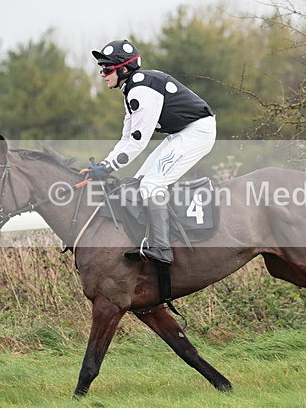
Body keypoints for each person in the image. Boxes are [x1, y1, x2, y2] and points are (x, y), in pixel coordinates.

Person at [90, 39, 216, 264]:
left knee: (151, 185)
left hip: (197, 132)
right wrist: (104, 164)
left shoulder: (141, 90)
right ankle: (148, 239)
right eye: (101, 68)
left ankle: (162, 248)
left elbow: (138, 142)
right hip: (181, 133)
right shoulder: (131, 89)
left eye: (107, 68)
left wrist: (108, 167)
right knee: (138, 181)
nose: (102, 73)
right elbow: (126, 139)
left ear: (124, 69)